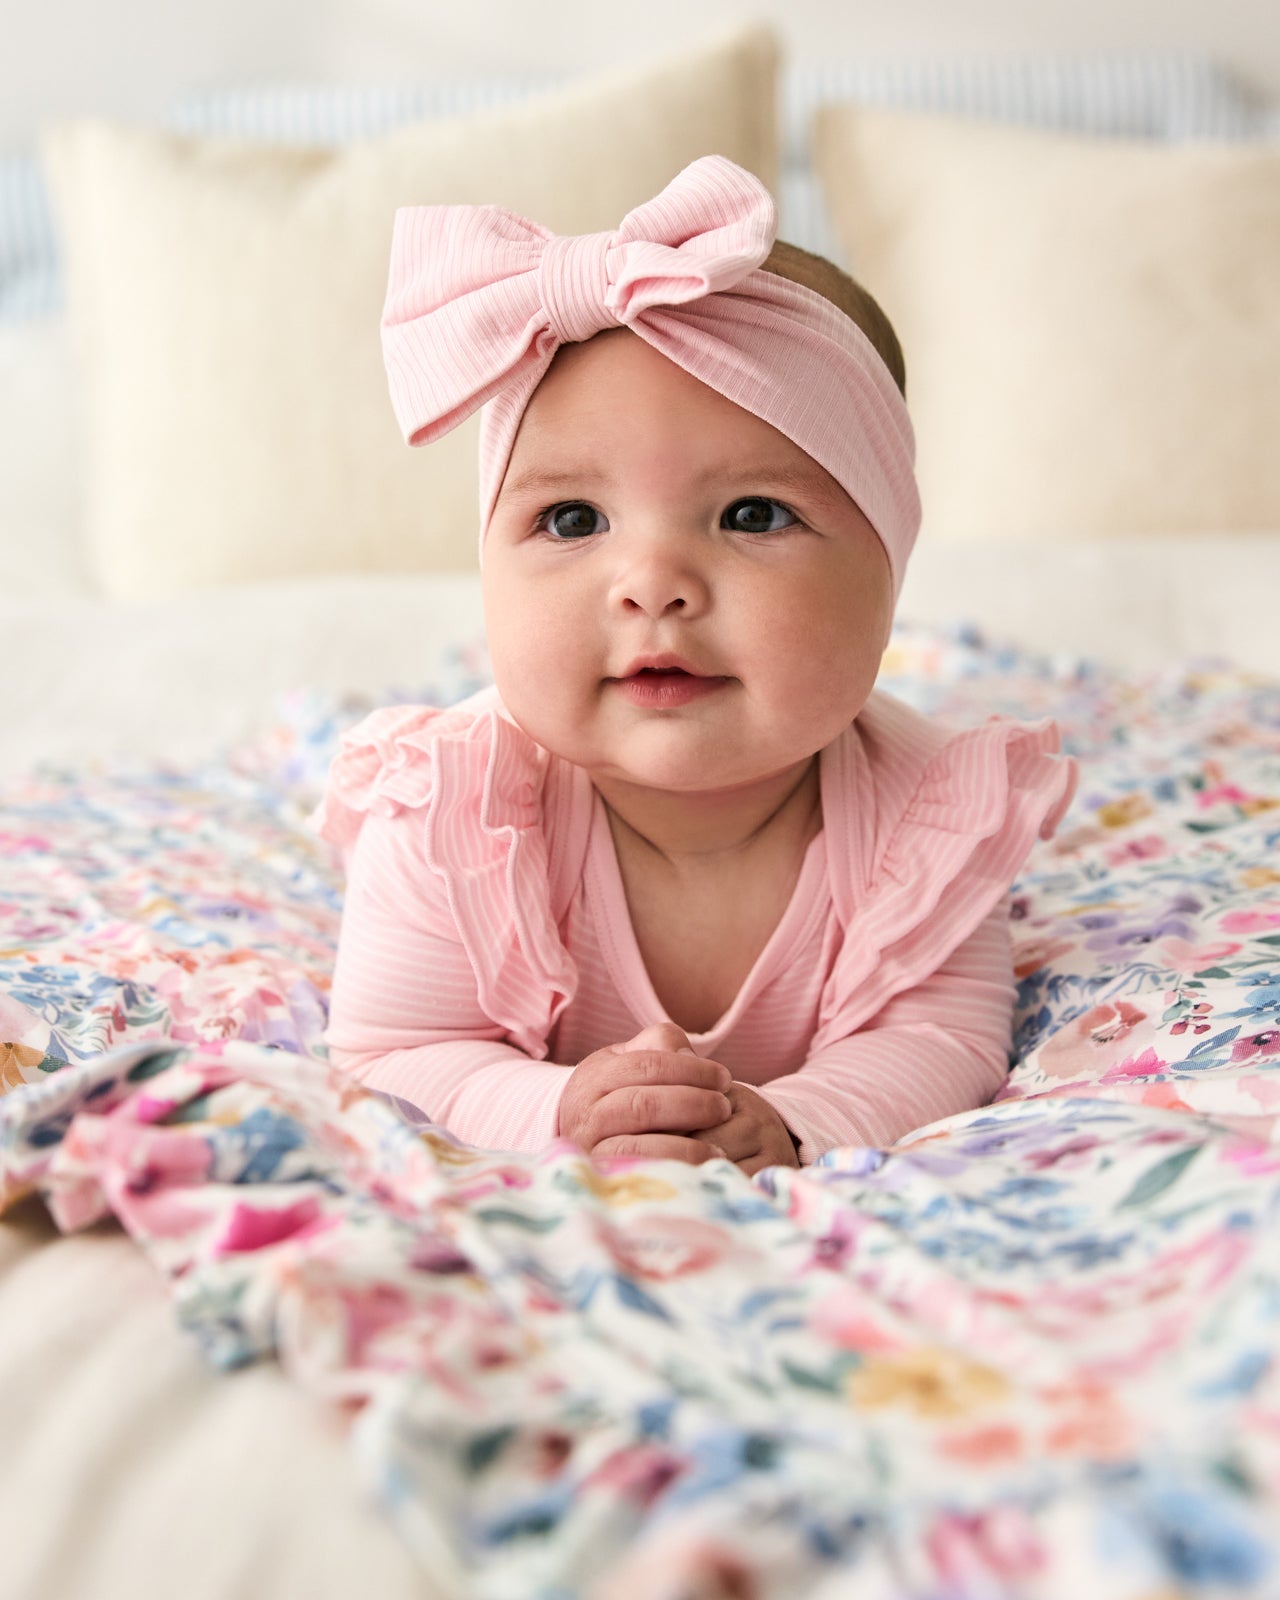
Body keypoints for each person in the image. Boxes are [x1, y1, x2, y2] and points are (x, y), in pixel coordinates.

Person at [310, 155, 1078, 1175]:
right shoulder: (455, 811)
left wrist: (795, 1119)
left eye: (750, 514)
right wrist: (555, 1106)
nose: (651, 585)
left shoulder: (930, 816)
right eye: (571, 518)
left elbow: (940, 1039)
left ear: (886, 569)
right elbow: (395, 1051)